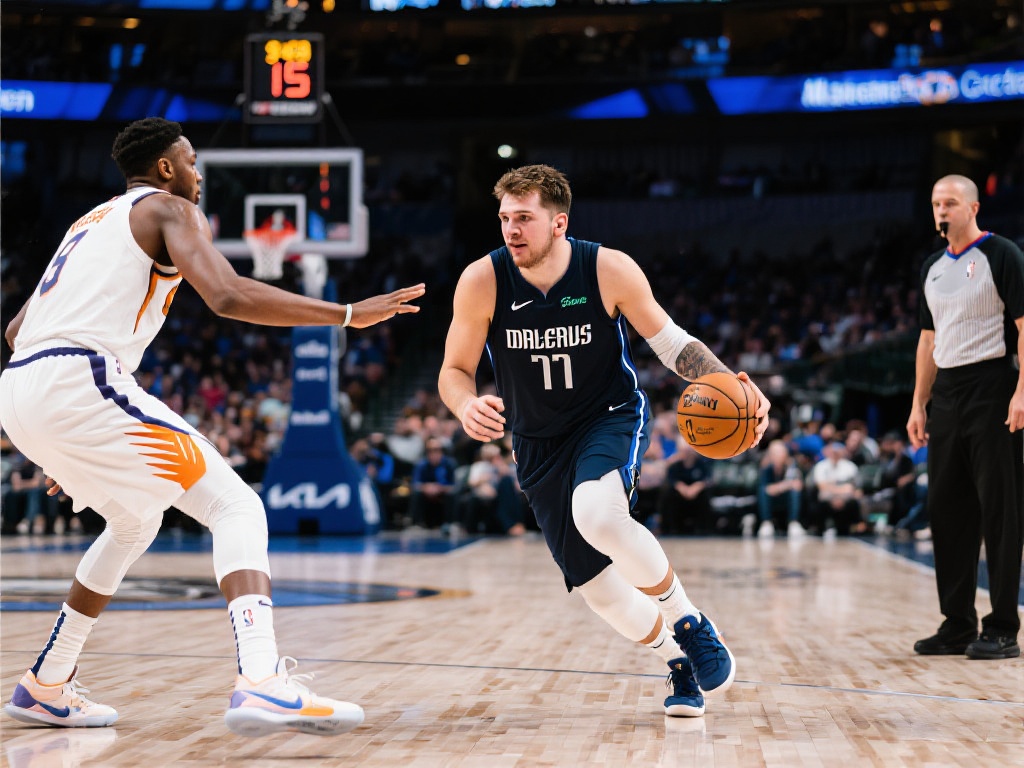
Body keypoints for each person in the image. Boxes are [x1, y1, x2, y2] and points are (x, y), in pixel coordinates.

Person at [0, 117, 425, 734]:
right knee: (236, 506)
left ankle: (47, 682)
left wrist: (66, 437)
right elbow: (226, 295)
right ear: (166, 167)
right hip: (78, 378)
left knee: (134, 523)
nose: (198, 175)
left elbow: (15, 330)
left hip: (21, 388)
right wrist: (347, 313)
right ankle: (262, 680)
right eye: (192, 162)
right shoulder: (170, 208)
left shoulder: (88, 222)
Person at [438, 164, 770, 718]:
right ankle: (677, 661)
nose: (512, 230)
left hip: (607, 418)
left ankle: (690, 622)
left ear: (559, 223)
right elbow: (454, 369)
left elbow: (672, 344)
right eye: (504, 218)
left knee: (598, 514)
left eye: (524, 218)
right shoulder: (482, 280)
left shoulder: (606, 268)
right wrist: (465, 404)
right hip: (537, 442)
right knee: (599, 590)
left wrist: (736, 387)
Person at [906, 174, 1024, 660]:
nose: (941, 210)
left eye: (950, 203)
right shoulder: (931, 267)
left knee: (999, 508)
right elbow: (928, 340)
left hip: (994, 385)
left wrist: (1022, 391)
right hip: (948, 393)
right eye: (937, 203)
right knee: (946, 507)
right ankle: (957, 623)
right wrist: (919, 402)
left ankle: (1003, 626)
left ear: (973, 207)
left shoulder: (1003, 254)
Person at [755, 439, 804, 539]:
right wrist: (786, 485)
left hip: (786, 498)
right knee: (762, 492)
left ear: (785, 453)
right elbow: (767, 489)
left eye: (780, 452)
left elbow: (798, 485)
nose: (777, 455)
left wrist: (779, 487)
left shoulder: (792, 465)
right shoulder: (766, 468)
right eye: (774, 453)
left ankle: (793, 523)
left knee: (795, 492)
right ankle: (766, 523)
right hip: (772, 499)